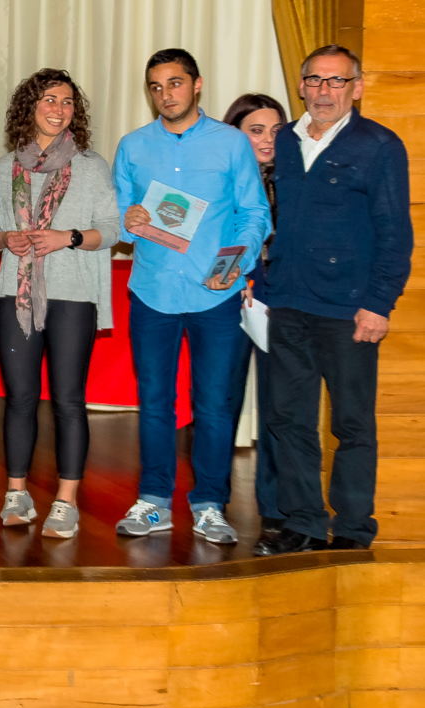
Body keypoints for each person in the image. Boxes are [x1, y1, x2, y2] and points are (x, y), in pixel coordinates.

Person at [254, 46, 412, 554]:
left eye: (336, 81)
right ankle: (303, 523)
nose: (324, 91)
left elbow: (396, 235)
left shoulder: (379, 146)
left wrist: (379, 304)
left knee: (352, 424)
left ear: (356, 88)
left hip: (349, 312)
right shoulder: (284, 139)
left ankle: (351, 531)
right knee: (289, 421)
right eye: (315, 80)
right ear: (301, 87)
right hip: (288, 305)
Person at [112, 49, 272, 546]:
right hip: (153, 293)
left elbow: (254, 212)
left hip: (215, 294)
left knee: (215, 406)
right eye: (156, 86)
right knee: (154, 403)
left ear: (197, 84)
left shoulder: (231, 144)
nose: (166, 94)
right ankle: (154, 501)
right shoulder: (133, 146)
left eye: (175, 83)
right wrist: (128, 219)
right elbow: (119, 213)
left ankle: (209, 505)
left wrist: (237, 265)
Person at [0, 70, 120, 539]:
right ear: (30, 106)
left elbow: (112, 229)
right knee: (19, 398)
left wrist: (68, 237)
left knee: (68, 400)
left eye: (67, 102)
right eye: (49, 100)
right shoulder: (3, 169)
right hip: (13, 294)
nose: (59, 110)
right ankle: (16, 493)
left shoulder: (91, 166)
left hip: (73, 295)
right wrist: (5, 237)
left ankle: (66, 500)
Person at [219, 91, 286, 537]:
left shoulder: (296, 179)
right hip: (232, 294)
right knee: (221, 400)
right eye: (256, 130)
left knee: (279, 406)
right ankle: (212, 498)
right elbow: (211, 237)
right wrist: (233, 276)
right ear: (235, 134)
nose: (267, 140)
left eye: (277, 130)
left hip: (284, 299)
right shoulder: (221, 179)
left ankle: (275, 510)